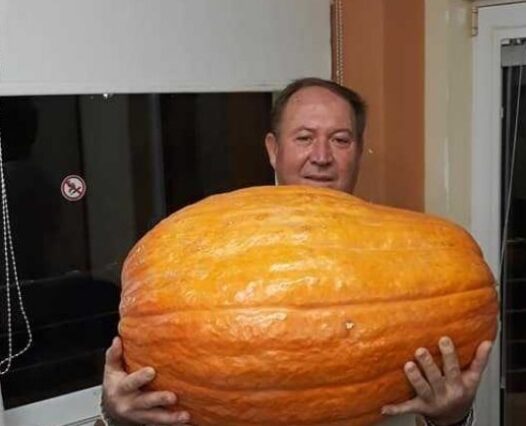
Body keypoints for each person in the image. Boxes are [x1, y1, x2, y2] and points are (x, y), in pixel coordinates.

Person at [101, 78, 493, 426]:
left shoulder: (411, 261)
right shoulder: (198, 247)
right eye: (304, 138)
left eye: (340, 140)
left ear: (358, 152)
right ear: (273, 150)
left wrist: (451, 419)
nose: (321, 156)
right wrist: (116, 418)